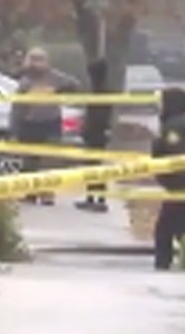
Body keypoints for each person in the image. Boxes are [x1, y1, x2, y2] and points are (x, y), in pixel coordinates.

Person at [9, 47, 79, 205]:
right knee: (29, 162)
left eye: (40, 60)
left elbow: (74, 84)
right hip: (29, 123)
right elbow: (17, 106)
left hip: (50, 122)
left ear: (46, 62)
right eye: (33, 59)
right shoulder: (25, 79)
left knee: (49, 161)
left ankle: (47, 195)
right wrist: (14, 129)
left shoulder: (55, 77)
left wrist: (59, 91)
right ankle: (31, 193)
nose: (36, 63)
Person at [151, 87, 185, 270]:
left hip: (180, 185)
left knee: (166, 229)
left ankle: (164, 263)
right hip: (179, 185)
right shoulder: (174, 123)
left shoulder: (176, 126)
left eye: (162, 101)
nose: (159, 105)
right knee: (181, 227)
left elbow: (178, 154)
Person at [75, 58, 112, 213]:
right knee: (95, 166)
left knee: (93, 166)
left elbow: (96, 117)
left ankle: (97, 199)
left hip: (96, 134)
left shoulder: (98, 93)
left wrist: (86, 130)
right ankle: (95, 198)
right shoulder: (104, 92)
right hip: (99, 133)